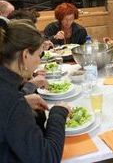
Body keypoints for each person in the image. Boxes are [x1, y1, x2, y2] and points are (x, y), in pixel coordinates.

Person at [0, 18, 70, 162]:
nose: (39, 61)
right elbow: (47, 158)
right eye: (39, 55)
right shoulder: (11, 100)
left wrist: (24, 100)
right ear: (25, 55)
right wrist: (58, 113)